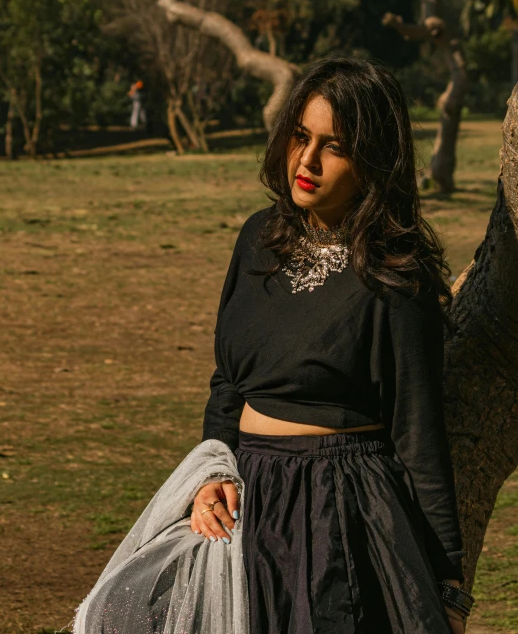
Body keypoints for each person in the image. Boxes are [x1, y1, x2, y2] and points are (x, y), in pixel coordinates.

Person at [193, 56, 474, 633]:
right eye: (301, 136)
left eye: (335, 146)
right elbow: (227, 382)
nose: (308, 161)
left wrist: (448, 587)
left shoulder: (397, 275)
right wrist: (209, 474)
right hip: (245, 502)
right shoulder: (256, 239)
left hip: (340, 512)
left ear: (372, 161)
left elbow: (418, 433)